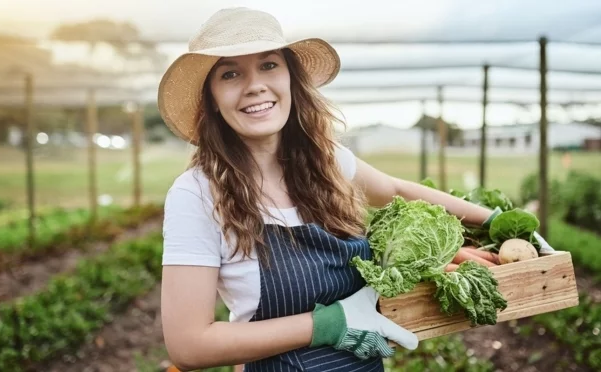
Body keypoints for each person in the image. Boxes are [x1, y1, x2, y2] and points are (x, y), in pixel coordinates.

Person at [158, 7, 550, 372]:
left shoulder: (326, 162)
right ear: (210, 97)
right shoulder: (198, 194)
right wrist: (327, 325)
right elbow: (189, 345)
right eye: (230, 74)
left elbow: (396, 189)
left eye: (269, 65)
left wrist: (496, 221)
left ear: (290, 77)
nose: (255, 86)